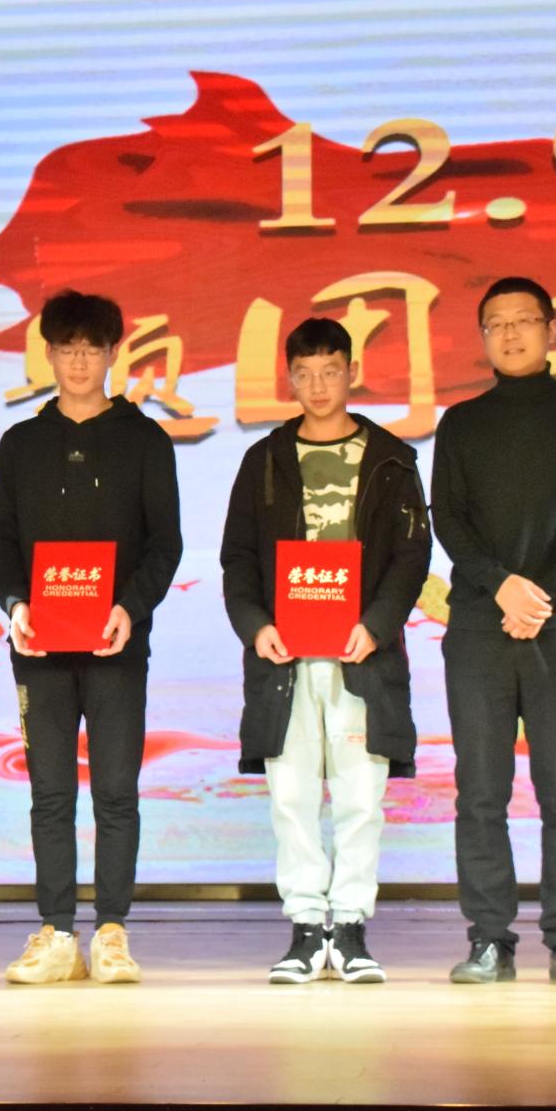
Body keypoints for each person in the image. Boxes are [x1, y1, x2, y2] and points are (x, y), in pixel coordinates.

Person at [219, 318, 431, 984]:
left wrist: (378, 624)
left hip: (361, 654)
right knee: (291, 796)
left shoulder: (391, 458)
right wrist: (256, 626)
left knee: (361, 796)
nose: (318, 385)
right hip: (284, 657)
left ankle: (352, 925)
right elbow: (237, 558)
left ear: (351, 372)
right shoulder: (265, 460)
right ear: (290, 378)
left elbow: (412, 555)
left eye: (330, 371)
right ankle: (307, 927)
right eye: (305, 373)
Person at [0, 290, 182, 984]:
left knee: (117, 790)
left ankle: (113, 931)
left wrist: (130, 607)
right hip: (39, 647)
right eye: (66, 348)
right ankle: (57, 932)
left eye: (92, 348)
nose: (78, 361)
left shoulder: (145, 440)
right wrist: (15, 604)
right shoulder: (21, 443)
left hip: (116, 645)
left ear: (112, 353)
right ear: (48, 353)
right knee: (50, 792)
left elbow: (165, 543)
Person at [431, 277, 556, 987]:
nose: (509, 334)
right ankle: (489, 939)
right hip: (480, 624)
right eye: (496, 324)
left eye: (523, 321)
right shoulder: (461, 423)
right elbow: (450, 519)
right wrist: (500, 584)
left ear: (551, 330)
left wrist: (544, 595)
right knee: (481, 791)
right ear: (482, 336)